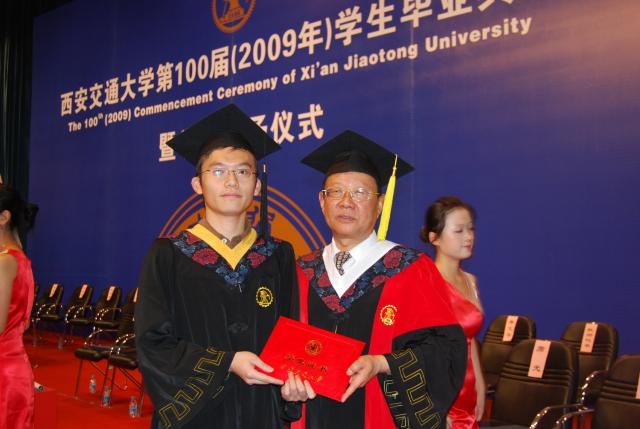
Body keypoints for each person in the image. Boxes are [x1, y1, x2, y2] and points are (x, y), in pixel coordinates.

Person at [135, 104, 311, 429]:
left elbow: (291, 339)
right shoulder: (168, 255)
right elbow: (152, 345)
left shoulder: (278, 256)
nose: (231, 181)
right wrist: (226, 363)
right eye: (218, 171)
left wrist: (292, 388)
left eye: (243, 172)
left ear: (257, 186)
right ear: (197, 185)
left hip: (262, 412)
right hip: (197, 416)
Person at [293, 130, 467, 429]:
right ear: (322, 201)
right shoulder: (300, 270)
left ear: (381, 203)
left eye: (360, 193)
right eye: (336, 192)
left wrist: (382, 363)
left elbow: (447, 350)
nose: (346, 202)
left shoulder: (411, 269)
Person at [421, 196, 485, 429]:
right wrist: (430, 405)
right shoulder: (426, 283)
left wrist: (480, 384)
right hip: (441, 391)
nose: (469, 237)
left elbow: (469, 339)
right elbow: (416, 349)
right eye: (458, 230)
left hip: (467, 388)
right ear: (434, 237)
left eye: (470, 229)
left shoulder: (471, 281)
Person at [0, 184, 38, 429]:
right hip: (13, 371)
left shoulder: (6, 262)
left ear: (4, 217)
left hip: (4, 378)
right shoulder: (20, 259)